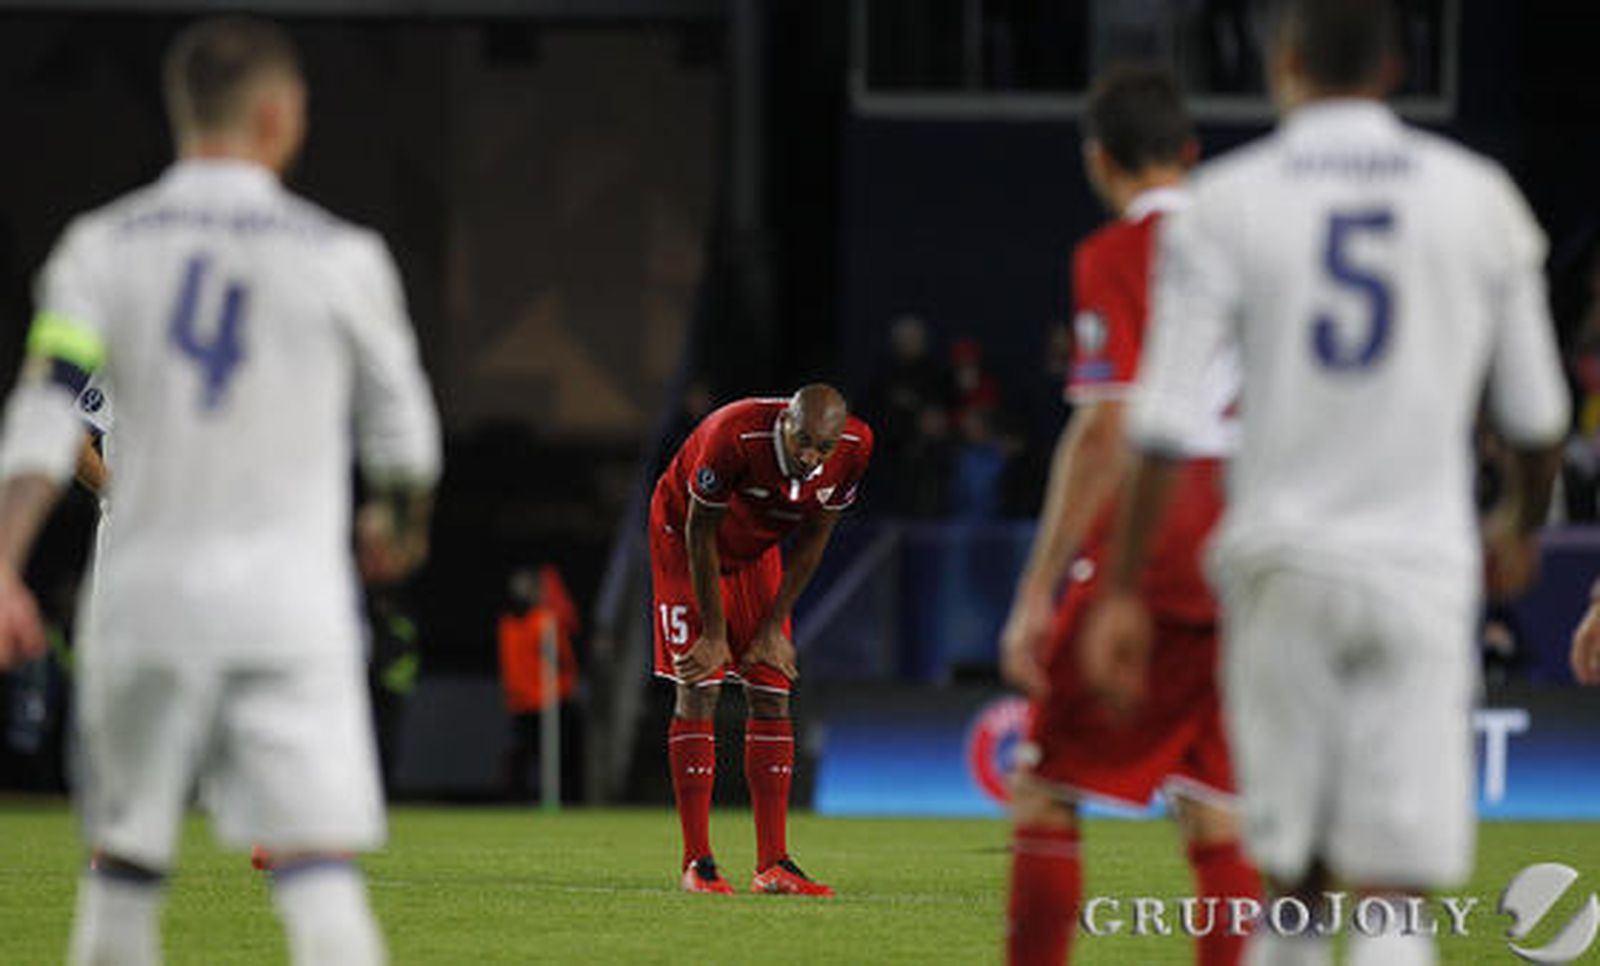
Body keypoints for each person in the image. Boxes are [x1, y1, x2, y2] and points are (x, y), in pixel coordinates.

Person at [1081, 3, 1568, 964]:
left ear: (1286, 65)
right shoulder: (1478, 196)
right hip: (1422, 567)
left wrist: (1127, 584)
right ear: (1394, 66)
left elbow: (1164, 424)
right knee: (1394, 892)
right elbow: (1538, 418)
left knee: (1294, 883)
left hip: (1279, 566)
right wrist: (1518, 522)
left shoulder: (1226, 202)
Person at [0, 16, 441, 966]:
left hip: (144, 594)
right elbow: (405, 436)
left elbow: (42, 415)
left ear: (180, 113)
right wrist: (396, 526)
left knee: (119, 879)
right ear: (281, 117)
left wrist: (3, 565)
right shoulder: (341, 257)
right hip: (289, 606)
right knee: (320, 881)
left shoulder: (101, 248)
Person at [999, 65, 1259, 966]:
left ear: (1098, 160)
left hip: (1154, 551)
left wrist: (1038, 589)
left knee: (1045, 790)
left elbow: (1108, 430)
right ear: (1190, 152)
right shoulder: (1255, 248)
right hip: (1251, 550)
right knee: (1217, 808)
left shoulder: (1116, 256)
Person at [651, 384, 872, 896]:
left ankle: (774, 864)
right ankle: (697, 863)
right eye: (803, 443)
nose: (811, 456)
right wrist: (713, 632)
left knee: (773, 690)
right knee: (700, 685)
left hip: (755, 551)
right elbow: (699, 532)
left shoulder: (856, 448)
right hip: (683, 539)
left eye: (824, 447)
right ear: (784, 425)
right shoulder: (734, 433)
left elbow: (814, 540)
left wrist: (773, 628)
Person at [498, 566, 579, 801]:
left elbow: (562, 659)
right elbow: (563, 660)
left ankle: (556, 799)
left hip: (538, 700)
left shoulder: (520, 623)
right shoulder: (532, 623)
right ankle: (522, 799)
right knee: (536, 756)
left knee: (542, 756)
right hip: (535, 700)